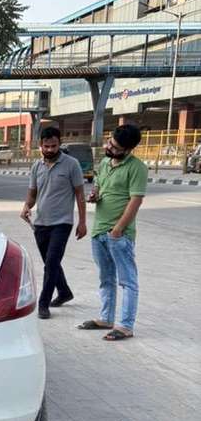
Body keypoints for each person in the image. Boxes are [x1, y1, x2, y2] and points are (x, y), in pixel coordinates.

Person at [78, 124, 147, 341]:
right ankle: (106, 318)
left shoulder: (137, 168)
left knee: (127, 281)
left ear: (128, 150)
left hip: (119, 235)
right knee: (105, 277)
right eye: (110, 142)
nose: (109, 148)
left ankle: (126, 325)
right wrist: (94, 195)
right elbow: (99, 186)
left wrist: (118, 229)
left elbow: (135, 201)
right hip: (99, 231)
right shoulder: (106, 162)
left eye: (115, 147)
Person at [21, 126, 86, 319]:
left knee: (51, 263)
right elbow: (33, 193)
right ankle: (64, 292)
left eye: (54, 145)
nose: (50, 149)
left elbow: (80, 195)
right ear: (40, 145)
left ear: (60, 143)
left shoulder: (71, 164)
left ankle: (43, 303)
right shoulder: (36, 167)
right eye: (46, 146)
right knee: (52, 263)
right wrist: (26, 207)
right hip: (41, 223)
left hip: (62, 223)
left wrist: (82, 222)